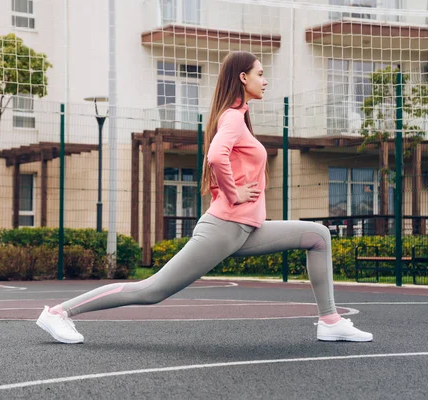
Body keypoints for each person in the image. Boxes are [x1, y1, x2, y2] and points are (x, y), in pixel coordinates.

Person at [36, 51, 373, 344]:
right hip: (224, 228)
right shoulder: (232, 118)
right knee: (152, 291)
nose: (265, 80)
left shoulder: (238, 118)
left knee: (318, 236)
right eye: (260, 73)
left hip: (245, 230)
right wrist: (234, 192)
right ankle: (58, 312)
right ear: (243, 78)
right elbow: (215, 156)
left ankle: (330, 322)